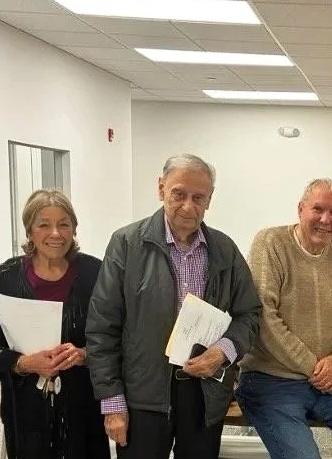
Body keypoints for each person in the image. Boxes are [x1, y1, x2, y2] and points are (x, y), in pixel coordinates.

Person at [86, 154, 261, 459]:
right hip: (144, 393)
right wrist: (112, 402)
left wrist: (224, 351)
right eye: (179, 194)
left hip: (204, 393)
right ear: (161, 188)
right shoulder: (127, 245)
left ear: (210, 199)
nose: (188, 206)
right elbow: (102, 328)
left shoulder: (224, 250)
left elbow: (250, 315)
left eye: (199, 197)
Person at [236, 178, 332, 459]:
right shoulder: (270, 243)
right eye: (317, 209)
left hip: (328, 384)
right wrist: (316, 368)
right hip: (271, 382)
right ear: (300, 209)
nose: (325, 219)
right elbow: (265, 319)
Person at [0, 190, 109, 459]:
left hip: (84, 406)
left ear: (74, 229)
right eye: (44, 224)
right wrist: (22, 363)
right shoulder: (5, 279)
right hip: (26, 410)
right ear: (30, 231)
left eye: (64, 224)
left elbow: (117, 334)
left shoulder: (97, 274)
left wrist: (85, 354)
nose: (55, 233)